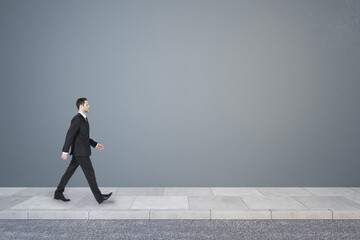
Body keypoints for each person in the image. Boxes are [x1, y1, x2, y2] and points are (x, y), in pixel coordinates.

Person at [54, 98, 112, 204]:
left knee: (69, 172)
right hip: (81, 152)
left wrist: (95, 144)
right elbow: (70, 134)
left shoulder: (84, 119)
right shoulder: (77, 119)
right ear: (81, 106)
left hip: (79, 151)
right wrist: (65, 151)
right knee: (90, 173)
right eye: (87, 104)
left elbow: (84, 137)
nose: (89, 106)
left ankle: (58, 192)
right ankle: (99, 197)